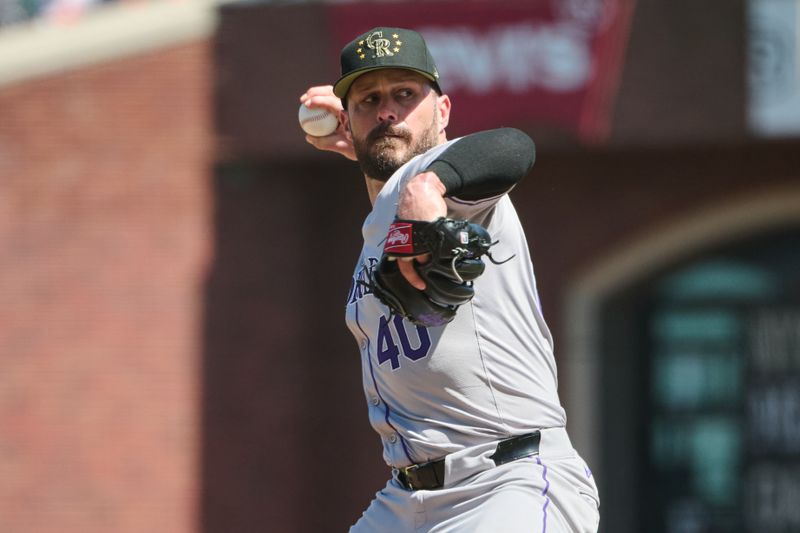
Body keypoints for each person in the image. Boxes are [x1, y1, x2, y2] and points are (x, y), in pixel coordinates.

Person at [300, 26, 600, 532]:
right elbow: (390, 187)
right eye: (369, 100)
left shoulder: (459, 188)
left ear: (442, 112)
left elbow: (514, 146)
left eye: (405, 95)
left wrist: (430, 183)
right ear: (348, 124)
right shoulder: (380, 227)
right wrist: (375, 155)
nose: (388, 111)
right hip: (406, 499)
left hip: (506, 484)